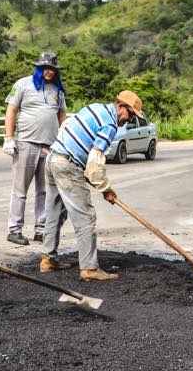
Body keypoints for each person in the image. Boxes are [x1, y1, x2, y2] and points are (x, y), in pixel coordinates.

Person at [41, 91, 141, 281]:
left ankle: (48, 259)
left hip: (54, 157)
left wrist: (82, 167)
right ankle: (89, 268)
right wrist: (106, 189)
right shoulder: (110, 124)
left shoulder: (95, 107)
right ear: (120, 106)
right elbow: (95, 165)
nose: (129, 120)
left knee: (54, 212)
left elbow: (67, 125)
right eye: (130, 115)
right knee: (85, 217)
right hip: (67, 163)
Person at [3, 51, 67, 246]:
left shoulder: (58, 91)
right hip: (26, 144)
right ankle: (14, 230)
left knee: (44, 191)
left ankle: (41, 229)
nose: (49, 72)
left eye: (52, 69)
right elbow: (11, 110)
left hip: (49, 147)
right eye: (46, 68)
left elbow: (62, 117)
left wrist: (64, 142)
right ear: (39, 68)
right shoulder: (22, 84)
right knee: (20, 190)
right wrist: (8, 137)